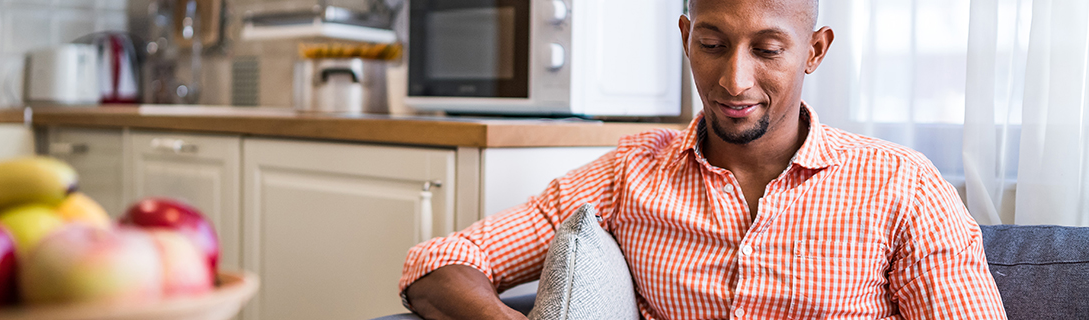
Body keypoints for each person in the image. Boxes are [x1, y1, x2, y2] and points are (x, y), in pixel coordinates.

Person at [398, 0, 1008, 319]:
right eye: (711, 46)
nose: (734, 80)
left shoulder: (902, 184)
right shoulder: (629, 173)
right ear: (686, 36)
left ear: (815, 51)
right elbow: (438, 263)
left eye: (768, 50)